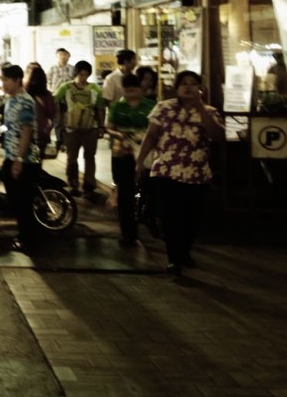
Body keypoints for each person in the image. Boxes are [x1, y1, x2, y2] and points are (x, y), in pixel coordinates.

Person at [135, 70, 224, 277]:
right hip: (166, 171)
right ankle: (174, 259)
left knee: (191, 218)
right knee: (171, 217)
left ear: (200, 88)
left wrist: (200, 106)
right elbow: (151, 136)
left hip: (197, 174)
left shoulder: (209, 112)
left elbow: (216, 135)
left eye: (193, 84)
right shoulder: (164, 108)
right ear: (176, 88)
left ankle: (184, 252)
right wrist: (140, 161)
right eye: (184, 83)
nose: (189, 87)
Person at [106, 73, 156, 246]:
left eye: (133, 90)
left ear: (140, 89)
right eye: (127, 91)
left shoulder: (150, 105)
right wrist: (118, 134)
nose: (130, 94)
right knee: (125, 193)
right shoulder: (117, 107)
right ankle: (128, 232)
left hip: (147, 152)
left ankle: (150, 221)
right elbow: (109, 128)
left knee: (150, 189)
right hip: (123, 152)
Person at [0, 64, 41, 253]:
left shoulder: (25, 101)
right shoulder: (10, 100)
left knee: (23, 201)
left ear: (17, 80)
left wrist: (19, 159)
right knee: (15, 200)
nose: (4, 84)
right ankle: (24, 235)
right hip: (11, 156)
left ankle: (28, 239)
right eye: (3, 79)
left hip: (25, 160)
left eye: (7, 80)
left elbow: (26, 131)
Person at [53, 60, 105, 200]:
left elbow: (100, 108)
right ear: (76, 73)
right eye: (81, 74)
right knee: (71, 158)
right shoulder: (66, 87)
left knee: (89, 158)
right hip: (71, 128)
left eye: (86, 75)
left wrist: (101, 126)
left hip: (91, 128)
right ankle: (73, 185)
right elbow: (55, 100)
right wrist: (59, 121)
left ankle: (88, 187)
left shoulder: (95, 89)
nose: (83, 78)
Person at [25, 64, 57, 155]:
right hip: (42, 131)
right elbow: (51, 112)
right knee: (39, 157)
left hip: (26, 130)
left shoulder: (25, 95)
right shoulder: (47, 95)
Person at [48, 48, 75, 151]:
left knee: (68, 120)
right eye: (60, 55)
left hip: (69, 97)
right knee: (58, 120)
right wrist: (52, 92)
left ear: (69, 56)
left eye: (65, 55)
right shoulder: (52, 69)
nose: (63, 57)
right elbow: (48, 81)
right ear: (57, 56)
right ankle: (59, 141)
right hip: (56, 97)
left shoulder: (72, 69)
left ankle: (67, 142)